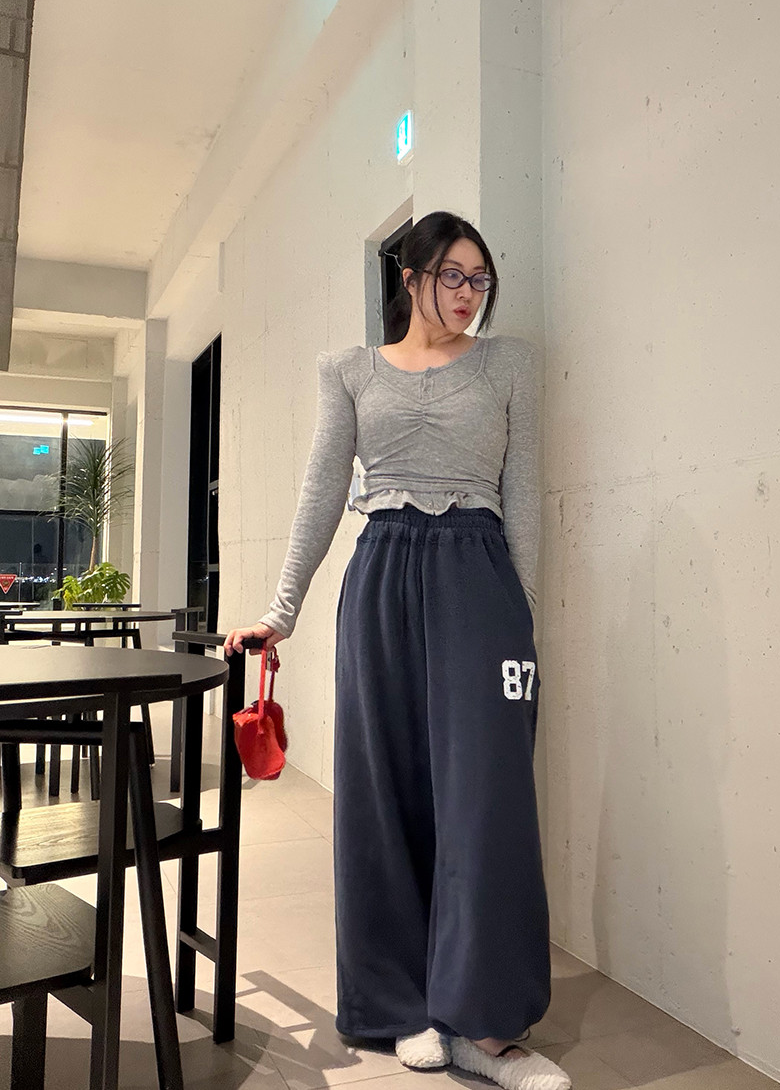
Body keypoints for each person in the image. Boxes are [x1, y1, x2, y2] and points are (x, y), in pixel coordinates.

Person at [225, 211, 570, 1090]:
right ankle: (400, 1006)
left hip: (479, 575)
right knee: (382, 791)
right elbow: (321, 488)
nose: (468, 294)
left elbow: (524, 492)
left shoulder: (511, 365)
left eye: (480, 280)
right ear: (410, 276)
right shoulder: (346, 370)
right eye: (452, 276)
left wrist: (521, 617)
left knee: (486, 800)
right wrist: (280, 610)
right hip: (381, 571)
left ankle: (486, 1026)